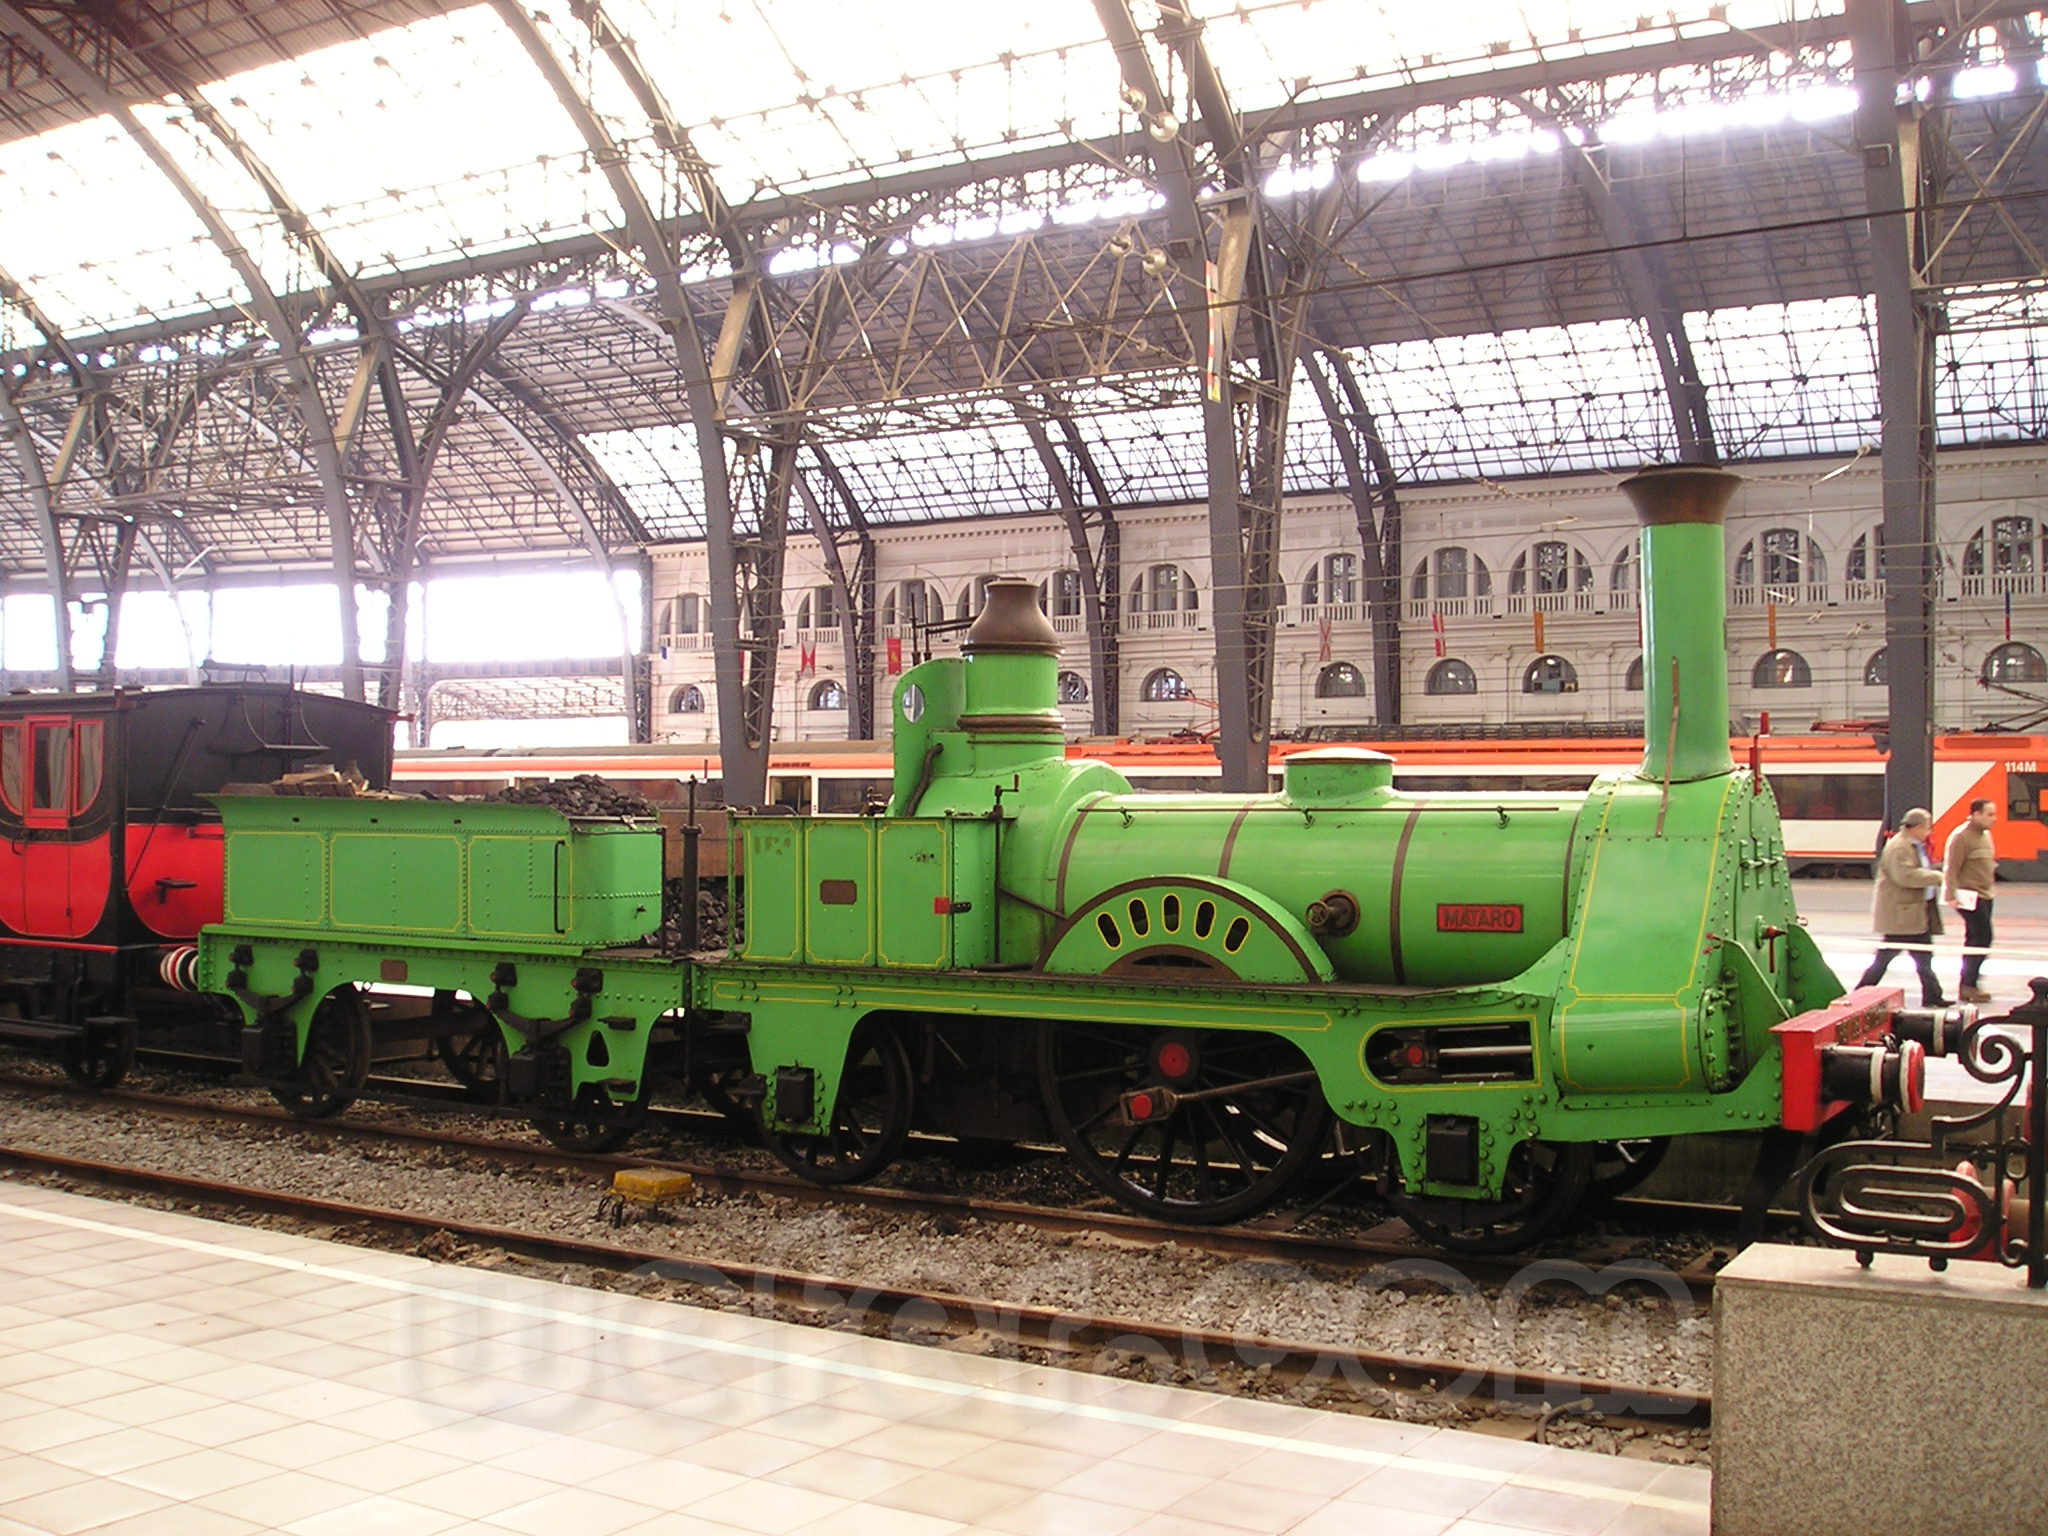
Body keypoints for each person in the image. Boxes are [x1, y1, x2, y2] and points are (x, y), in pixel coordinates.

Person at [1857, 808, 1948, 1007]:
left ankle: (1933, 996)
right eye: (1926, 827)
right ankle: (1859, 993)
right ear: (1916, 827)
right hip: (1902, 915)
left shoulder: (1914, 845)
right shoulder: (1899, 847)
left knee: (1924, 959)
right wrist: (1937, 877)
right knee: (1885, 959)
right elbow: (1906, 876)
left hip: (1914, 914)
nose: (1928, 831)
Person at [1943, 798, 1998, 1003]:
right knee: (1982, 938)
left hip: (1986, 894)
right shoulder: (1961, 837)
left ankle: (1970, 984)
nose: (1994, 819)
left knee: (1977, 938)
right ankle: (1968, 984)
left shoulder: (1986, 835)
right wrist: (1950, 895)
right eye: (1989, 814)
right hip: (1969, 895)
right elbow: (1952, 867)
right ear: (1975, 814)